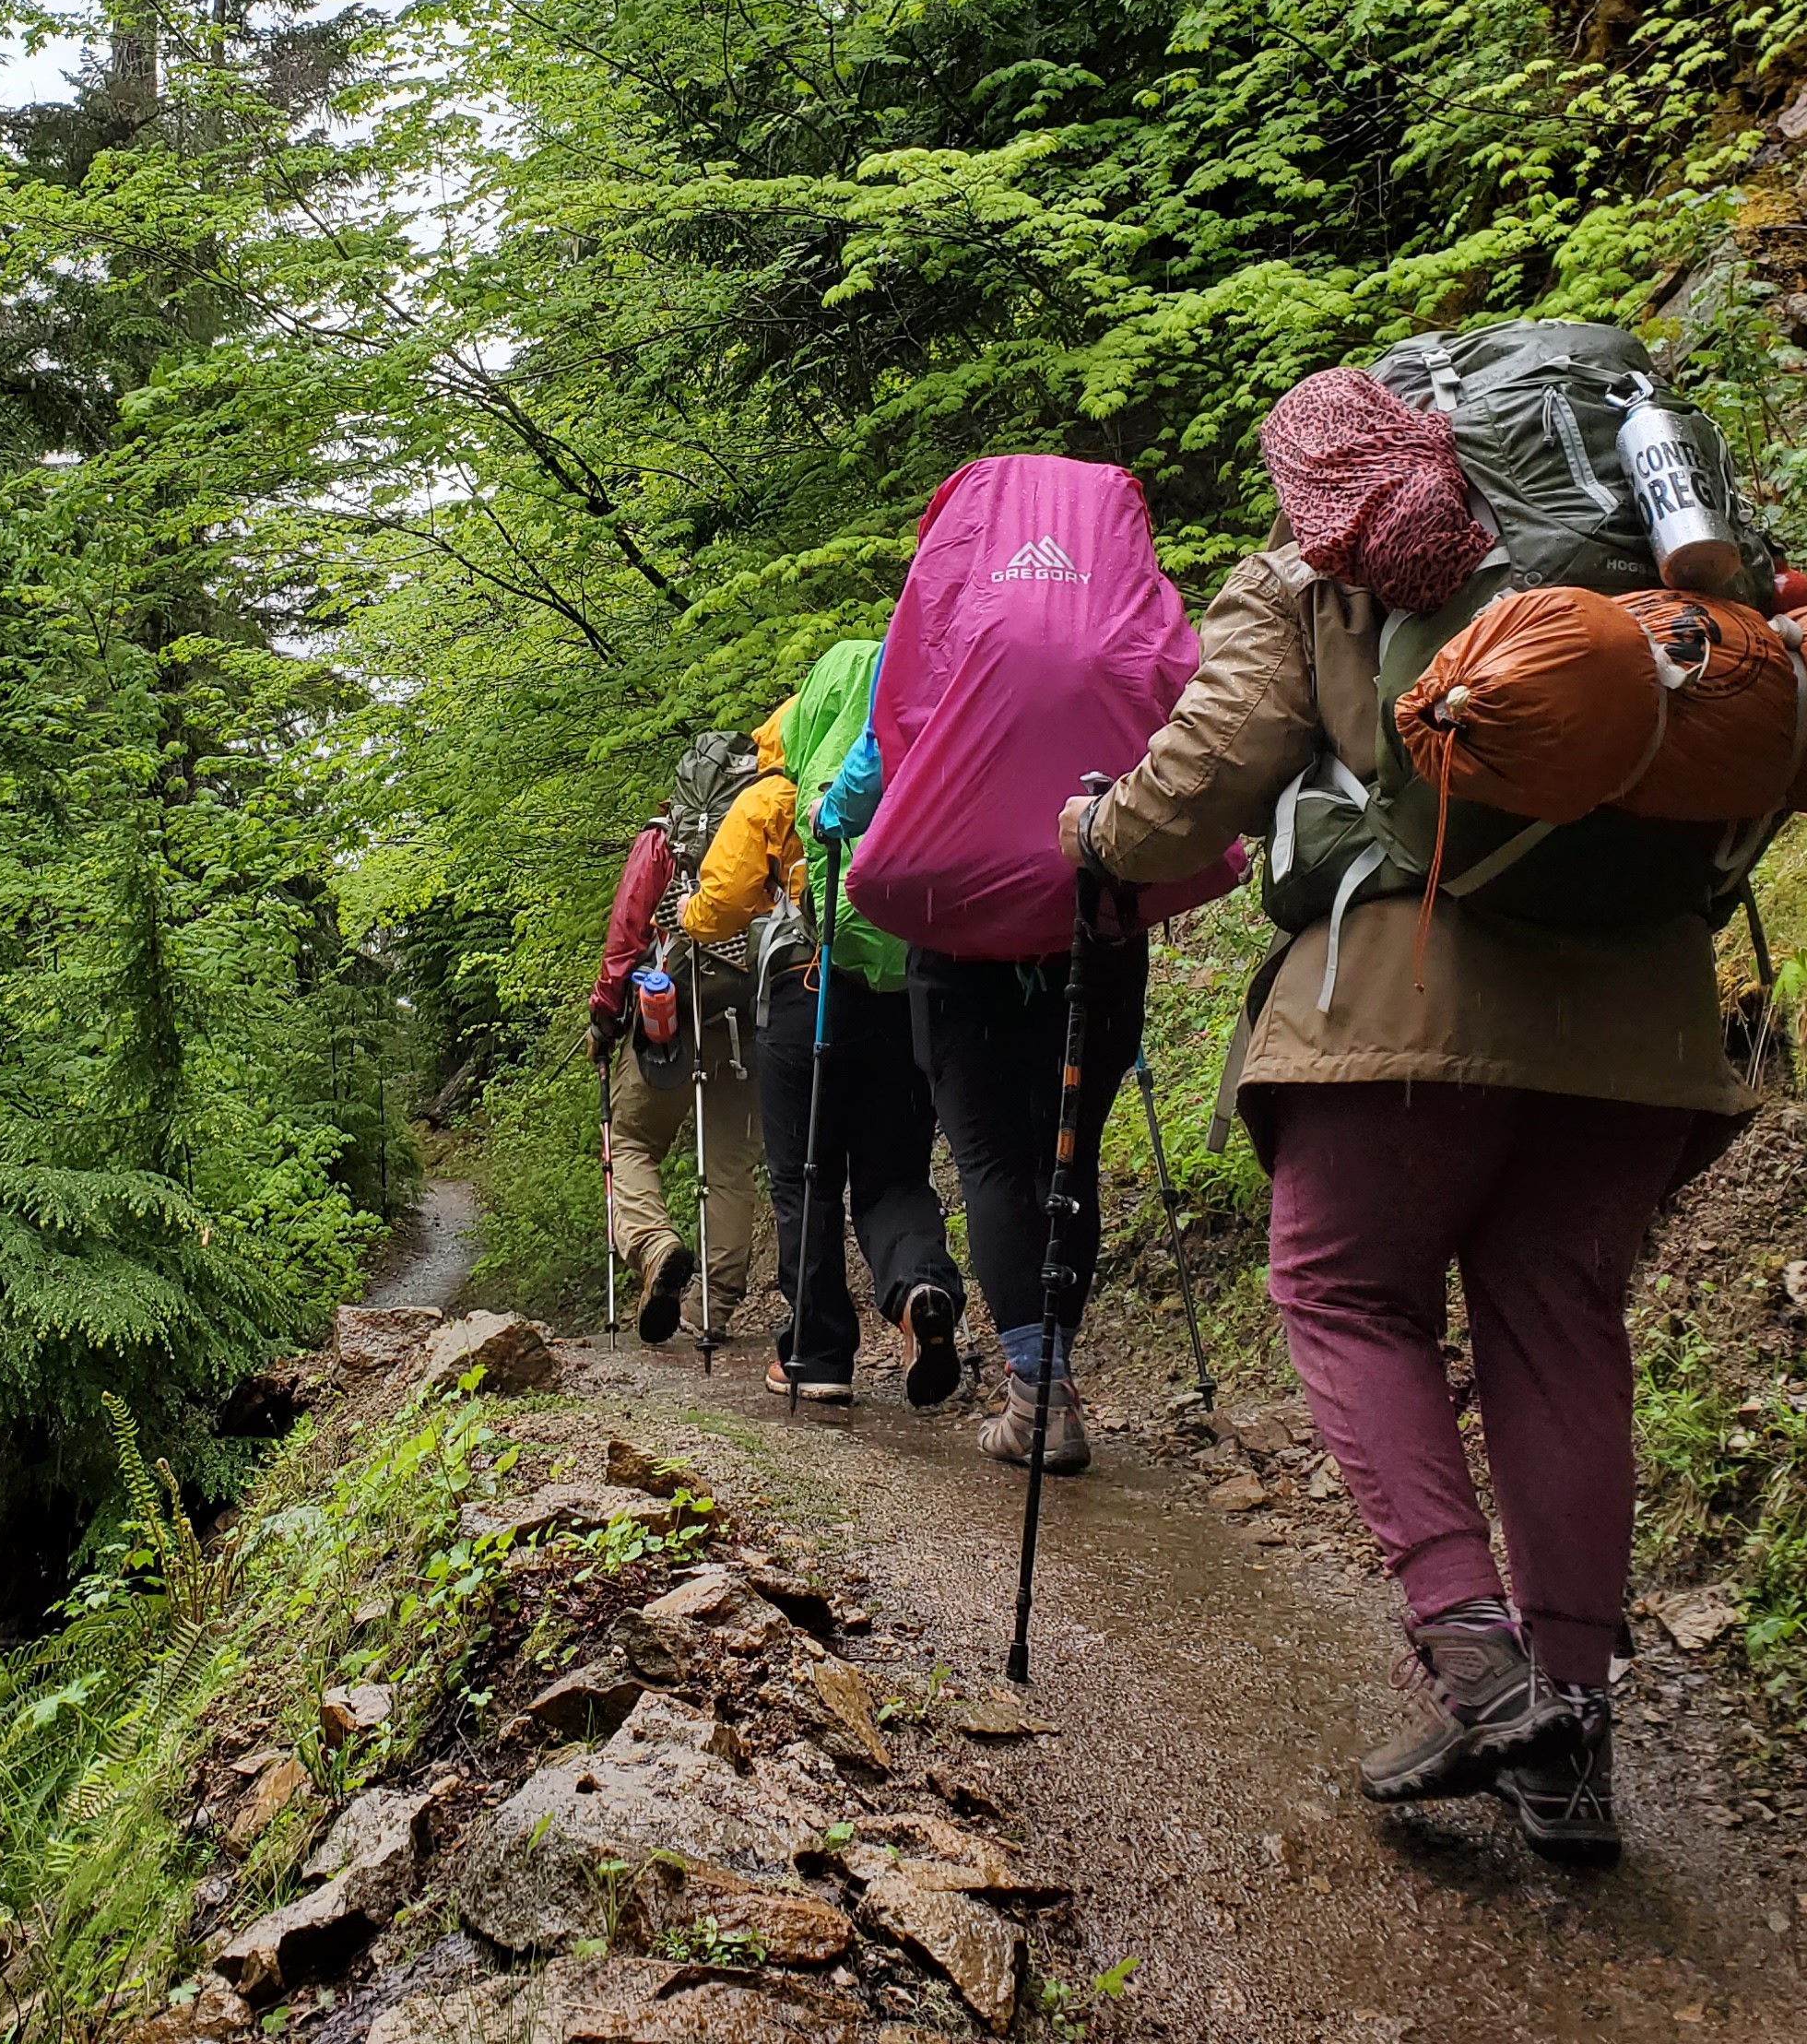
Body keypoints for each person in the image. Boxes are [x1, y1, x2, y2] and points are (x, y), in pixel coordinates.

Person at [1058, 372, 1748, 1869]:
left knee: (1344, 1290)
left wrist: (1096, 831)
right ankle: (1568, 1727)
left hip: (1404, 999)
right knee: (1561, 1320)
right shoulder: (1630, 540)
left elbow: (1208, 775)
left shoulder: (1317, 564)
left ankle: (1480, 1662)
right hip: (1642, 1011)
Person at [820, 694, 1120, 1465]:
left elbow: (881, 750)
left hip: (961, 914)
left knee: (991, 1160)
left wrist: (831, 817)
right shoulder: (1110, 598)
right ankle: (1049, 1386)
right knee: (1069, 1154)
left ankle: (1039, 1396)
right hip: (1094, 898)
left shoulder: (948, 604)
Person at [683, 649, 961, 1407]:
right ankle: (919, 1294)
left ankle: (816, 1354)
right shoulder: (922, 765)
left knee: (804, 1179)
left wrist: (684, 913)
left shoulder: (778, 790)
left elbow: (723, 903)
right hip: (905, 995)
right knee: (894, 1175)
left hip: (807, 996)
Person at [585, 734, 769, 1345]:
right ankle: (712, 1307)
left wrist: (603, 1017)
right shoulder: (769, 818)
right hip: (748, 1014)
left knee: (632, 1140)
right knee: (730, 1165)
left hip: (668, 1018)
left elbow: (627, 935)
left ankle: (654, 1245)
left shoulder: (662, 838)